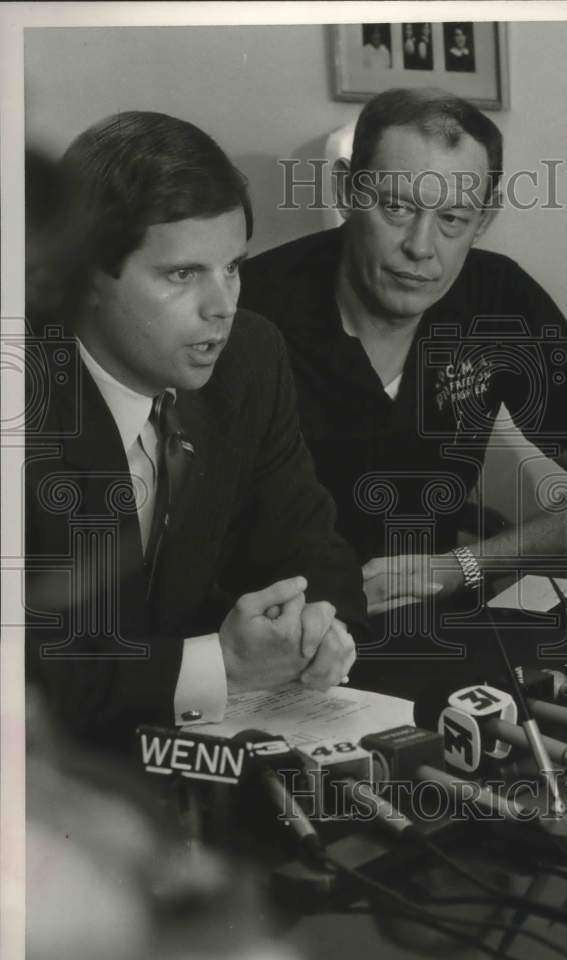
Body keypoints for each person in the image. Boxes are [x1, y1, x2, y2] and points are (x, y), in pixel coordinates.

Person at [238, 88, 567, 616]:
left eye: (452, 219)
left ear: (484, 221)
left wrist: (468, 564)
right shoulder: (250, 312)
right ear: (348, 191)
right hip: (281, 638)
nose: (421, 247)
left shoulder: (498, 298)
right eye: (396, 207)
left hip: (437, 626)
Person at [25, 111, 364, 749]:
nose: (224, 305)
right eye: (183, 275)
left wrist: (319, 626)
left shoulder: (250, 357)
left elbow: (308, 544)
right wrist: (220, 668)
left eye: (232, 266)